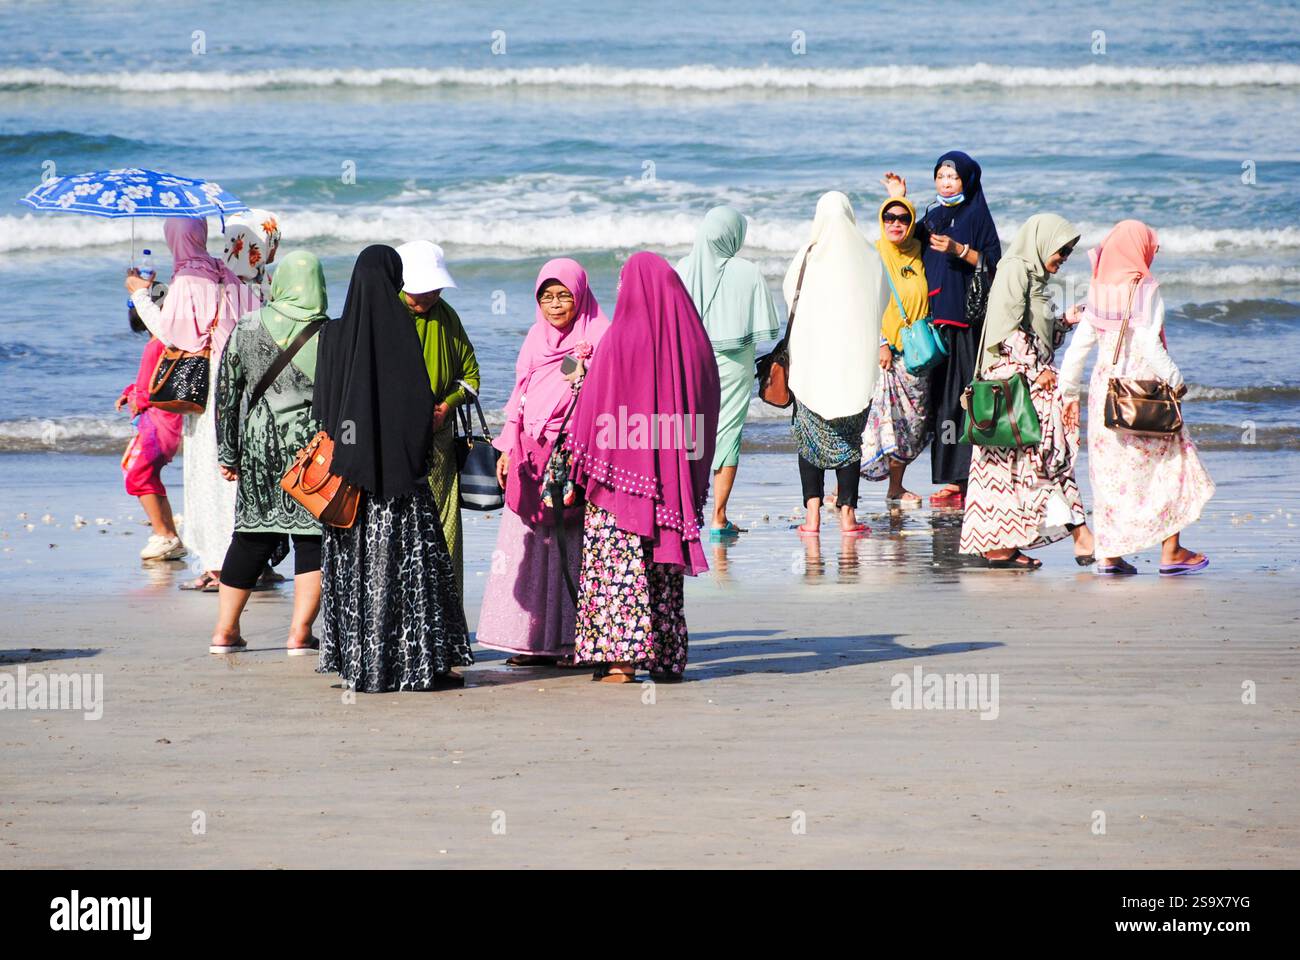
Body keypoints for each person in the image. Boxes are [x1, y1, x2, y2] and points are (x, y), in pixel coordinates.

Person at [313, 245, 472, 693]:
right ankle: (410, 664)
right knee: (408, 578)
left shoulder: (333, 335)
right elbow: (417, 410)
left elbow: (325, 412)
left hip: (349, 485)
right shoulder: (400, 330)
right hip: (400, 486)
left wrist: (354, 449)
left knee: (358, 577)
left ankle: (361, 665)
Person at [565, 252, 720, 683]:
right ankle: (668, 658)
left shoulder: (620, 338)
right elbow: (705, 409)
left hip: (621, 479)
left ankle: (621, 661)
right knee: (663, 569)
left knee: (619, 564)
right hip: (672, 480)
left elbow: (594, 411)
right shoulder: (694, 342)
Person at [1059, 220, 1214, 576]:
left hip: (1105, 396)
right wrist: (1177, 381)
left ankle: (1109, 557)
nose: (1153, 252)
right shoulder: (1143, 288)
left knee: (1110, 477)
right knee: (1172, 466)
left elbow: (1078, 349)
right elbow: (1148, 344)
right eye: (1150, 246)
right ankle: (1171, 552)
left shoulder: (1098, 288)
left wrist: (1067, 392)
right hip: (1145, 394)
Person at [477, 259, 611, 666]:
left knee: (571, 549)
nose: (555, 305)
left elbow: (603, 400)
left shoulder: (600, 336)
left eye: (564, 296)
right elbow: (520, 393)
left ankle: (571, 643)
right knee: (529, 549)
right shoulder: (536, 337)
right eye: (547, 297)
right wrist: (507, 448)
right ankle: (531, 642)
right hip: (531, 458)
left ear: (580, 295)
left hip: (573, 455)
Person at [125, 217, 261, 591]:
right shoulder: (224, 272)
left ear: (174, 240)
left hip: (207, 382)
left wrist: (140, 294)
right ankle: (247, 559)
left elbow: (172, 334)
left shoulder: (187, 278)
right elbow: (252, 316)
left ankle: (218, 566)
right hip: (240, 376)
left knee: (209, 470)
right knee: (235, 468)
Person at [958, 214, 1098, 569]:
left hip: (1024, 380)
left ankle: (1001, 546)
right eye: (1061, 249)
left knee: (1009, 467)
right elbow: (1008, 331)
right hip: (1014, 383)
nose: (1064, 256)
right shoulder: (1014, 270)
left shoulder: (1035, 278)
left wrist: (1064, 321)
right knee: (1050, 454)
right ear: (1042, 240)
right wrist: (1038, 373)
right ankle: (1081, 535)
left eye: (1068, 252)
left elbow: (1035, 333)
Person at [210, 251, 328, 655]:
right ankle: (299, 633)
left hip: (260, 445)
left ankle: (225, 631)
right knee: (312, 539)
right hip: (312, 450)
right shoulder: (331, 333)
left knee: (250, 535)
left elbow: (226, 395)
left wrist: (228, 452)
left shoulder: (246, 327)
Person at [883, 151, 1001, 507]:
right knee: (940, 403)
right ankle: (950, 478)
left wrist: (959, 249)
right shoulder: (932, 216)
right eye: (941, 177)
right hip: (933, 325)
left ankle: (967, 477)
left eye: (953, 177)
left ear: (967, 180)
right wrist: (897, 196)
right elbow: (900, 240)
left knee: (965, 399)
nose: (946, 183)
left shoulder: (977, 215)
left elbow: (993, 263)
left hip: (967, 322)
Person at [786, 191, 889, 536]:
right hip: (854, 363)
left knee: (809, 440)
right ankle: (847, 517)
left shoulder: (807, 256)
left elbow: (790, 297)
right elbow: (883, 300)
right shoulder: (869, 256)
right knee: (848, 440)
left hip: (811, 361)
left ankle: (812, 518)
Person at [676, 205, 781, 540]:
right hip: (735, 362)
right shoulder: (747, 271)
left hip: (690, 359)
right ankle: (719, 518)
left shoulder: (682, 268)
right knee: (728, 432)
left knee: (691, 432)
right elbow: (765, 330)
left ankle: (684, 512)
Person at [395, 240, 480, 597]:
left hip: (440, 440)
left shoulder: (447, 316)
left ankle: (446, 610)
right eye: (421, 290)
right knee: (401, 526)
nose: (428, 297)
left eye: (435, 289)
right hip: (396, 441)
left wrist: (448, 405)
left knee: (445, 524)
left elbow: (472, 377)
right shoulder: (387, 316)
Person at [860, 196, 932, 505]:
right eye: (889, 217)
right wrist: (880, 342)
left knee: (911, 424)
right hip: (884, 354)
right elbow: (862, 303)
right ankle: (845, 490)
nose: (896, 223)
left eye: (903, 218)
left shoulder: (920, 253)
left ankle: (896, 486)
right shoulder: (873, 255)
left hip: (917, 355)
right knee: (876, 423)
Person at [118, 310, 184, 561]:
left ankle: (164, 535)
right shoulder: (163, 341)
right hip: (163, 422)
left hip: (157, 423)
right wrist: (131, 392)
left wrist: (136, 396)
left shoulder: (157, 344)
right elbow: (152, 382)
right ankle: (170, 536)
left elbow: (152, 390)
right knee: (143, 473)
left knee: (137, 473)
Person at [222, 209, 281, 302]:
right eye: (274, 240)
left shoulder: (215, 280)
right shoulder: (258, 289)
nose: (276, 245)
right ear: (263, 242)